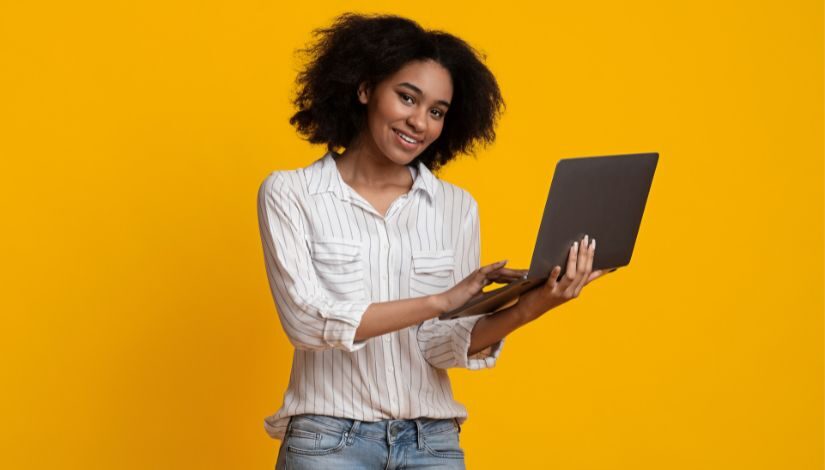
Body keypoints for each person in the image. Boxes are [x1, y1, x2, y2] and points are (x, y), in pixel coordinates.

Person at [257, 12, 608, 469]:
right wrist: (440, 300)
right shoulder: (291, 194)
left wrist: (534, 303)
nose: (419, 122)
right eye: (407, 98)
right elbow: (306, 323)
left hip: (432, 443)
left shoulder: (455, 207)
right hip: (328, 442)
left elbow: (440, 345)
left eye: (437, 112)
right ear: (365, 90)